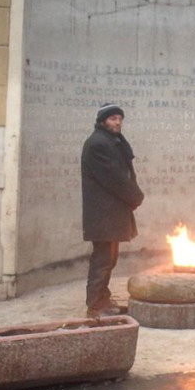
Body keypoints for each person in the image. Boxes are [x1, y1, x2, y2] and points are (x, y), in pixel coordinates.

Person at [81, 102, 144, 318]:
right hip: (103, 213)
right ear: (102, 121)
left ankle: (103, 298)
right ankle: (96, 305)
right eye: (112, 119)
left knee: (108, 259)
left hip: (110, 212)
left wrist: (132, 196)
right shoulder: (98, 144)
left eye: (119, 118)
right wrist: (135, 196)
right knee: (103, 260)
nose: (117, 122)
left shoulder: (111, 141)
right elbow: (115, 178)